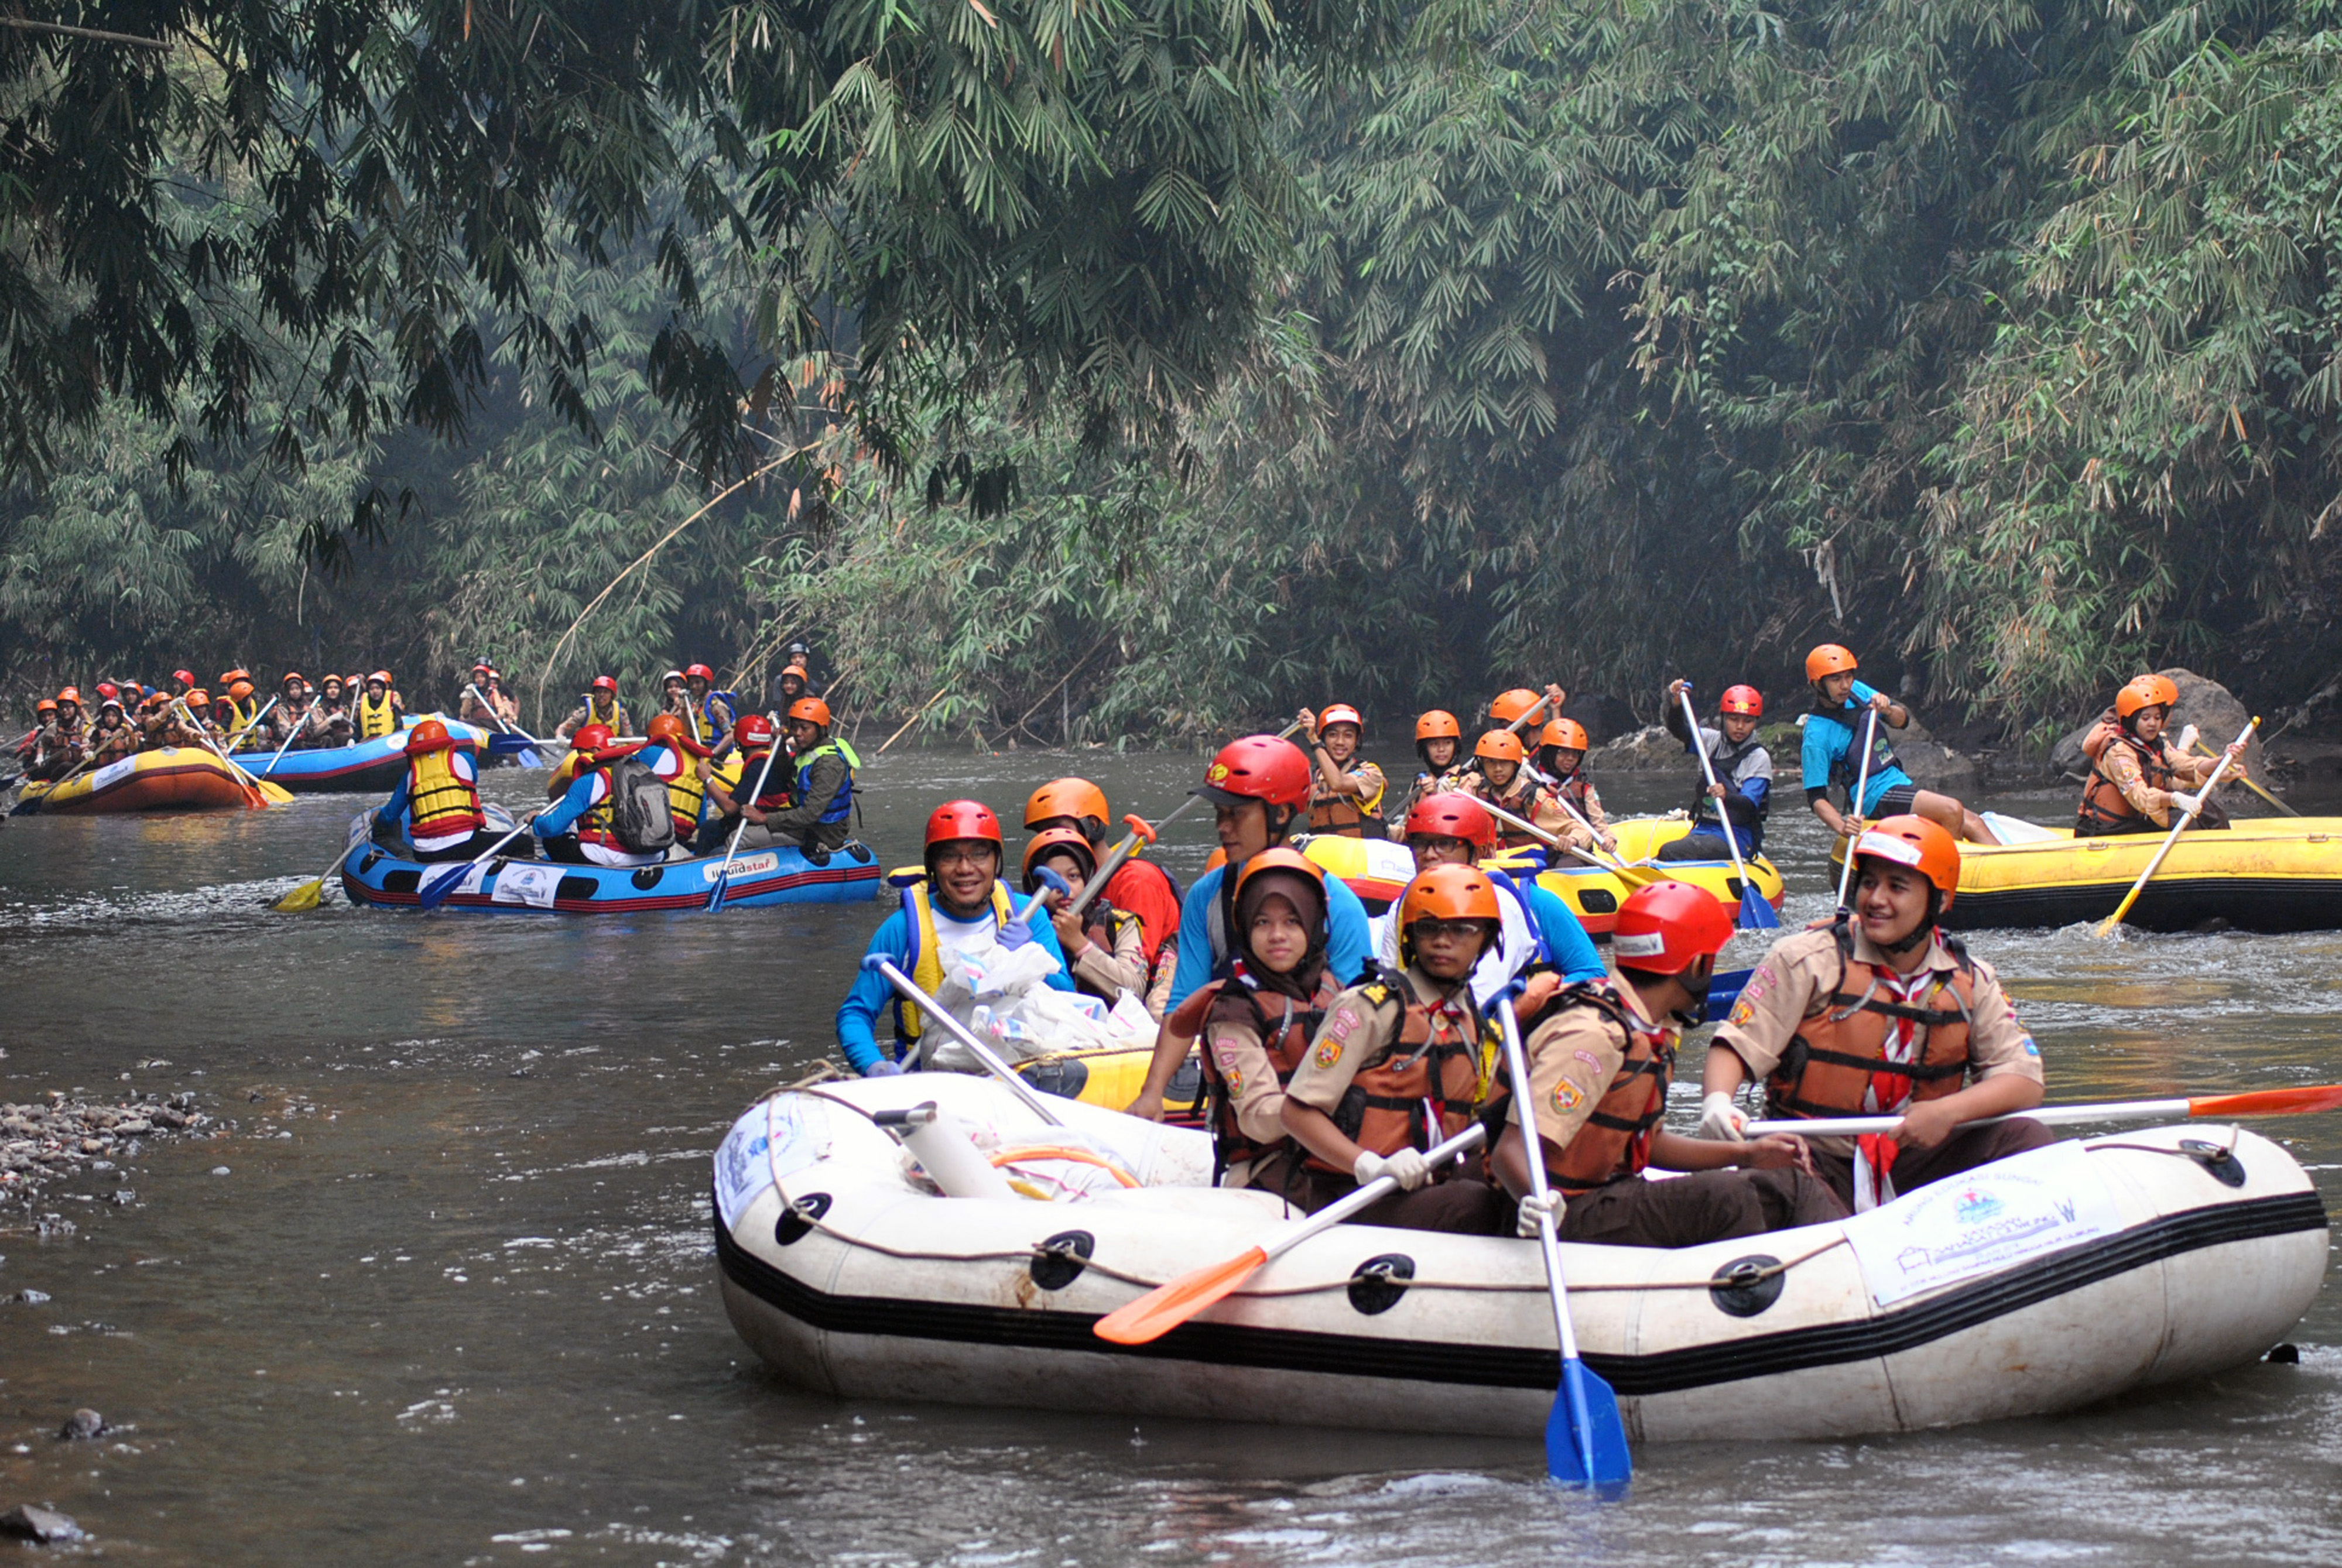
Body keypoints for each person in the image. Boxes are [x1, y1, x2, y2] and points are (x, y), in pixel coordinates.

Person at [1700, 816, 2052, 1211]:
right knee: (1780, 1177)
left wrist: (1946, 1112)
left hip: (1918, 1159)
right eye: (1869, 883)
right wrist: (1718, 1101)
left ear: (1941, 901)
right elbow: (1737, 1046)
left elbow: (2023, 1080)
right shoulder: (1806, 958)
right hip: (1815, 1157)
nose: (1876, 899)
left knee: (2025, 1137)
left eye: (1897, 887)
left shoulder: (1971, 979)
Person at [1494, 881, 1847, 1247]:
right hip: (1561, 1211)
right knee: (1730, 1198)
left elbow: (1649, 1143)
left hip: (1605, 1194)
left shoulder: (1651, 1026)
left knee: (1786, 1187)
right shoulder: (1594, 1037)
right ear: (1696, 964)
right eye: (1713, 958)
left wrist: (1748, 1152)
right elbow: (1510, 1152)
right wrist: (1538, 1203)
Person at [1123, 736, 1377, 1120]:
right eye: (1219, 814)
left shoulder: (1337, 905)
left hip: (1325, 1091)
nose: (1223, 828)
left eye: (1236, 814)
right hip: (1239, 1086)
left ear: (1279, 815)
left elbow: (1358, 1019)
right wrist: (1152, 1091)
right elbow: (1182, 1003)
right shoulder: (1207, 898)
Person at [1275, 864, 1507, 1233]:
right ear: (1410, 937)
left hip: (1430, 1185)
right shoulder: (1369, 1008)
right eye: (1429, 928)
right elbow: (1296, 1113)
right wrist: (1369, 1164)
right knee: (1474, 1204)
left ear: (1487, 939)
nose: (1443, 941)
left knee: (1508, 1186)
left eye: (1462, 930)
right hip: (1354, 1193)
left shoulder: (1475, 1024)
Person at [834, 800, 1076, 1076]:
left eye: (979, 855)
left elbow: (1066, 999)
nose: (965, 868)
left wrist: (1031, 957)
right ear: (934, 865)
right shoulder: (902, 929)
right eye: (950, 856)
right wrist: (872, 1065)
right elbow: (855, 1014)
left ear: (997, 862)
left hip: (1020, 1071)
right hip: (932, 1076)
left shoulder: (1029, 915)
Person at [1191, 847, 1345, 1193]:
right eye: (1263, 922)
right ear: (1244, 928)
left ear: (1314, 924)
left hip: (1338, 1154)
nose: (1277, 935)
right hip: (1269, 1169)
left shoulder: (1335, 992)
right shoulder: (1234, 1011)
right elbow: (1258, 1118)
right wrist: (1335, 1107)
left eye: (1292, 921)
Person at [1375, 793, 1604, 1002]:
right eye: (1421, 844)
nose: (1429, 855)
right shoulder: (1401, 907)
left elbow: (1483, 998)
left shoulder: (1515, 904)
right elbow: (1389, 981)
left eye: (1444, 844)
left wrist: (1544, 995)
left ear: (1479, 854)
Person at [1800, 644, 1998, 847]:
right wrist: (1841, 826)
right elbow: (1816, 797)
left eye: (1848, 676)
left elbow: (1901, 722)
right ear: (1818, 684)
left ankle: (2010, 867)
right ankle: (1952, 872)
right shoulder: (1816, 735)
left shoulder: (1855, 691)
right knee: (1951, 810)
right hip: (1873, 796)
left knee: (1974, 822)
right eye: (1836, 679)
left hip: (1897, 781)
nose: (1845, 685)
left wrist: (1887, 709)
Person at [1022, 778, 1183, 975]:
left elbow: (1140, 970)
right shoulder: (1075, 884)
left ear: (1093, 825)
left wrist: (1077, 942)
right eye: (1044, 832)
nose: (1053, 837)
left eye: (1058, 827)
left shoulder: (1138, 880)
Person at [2075, 674, 2249, 836]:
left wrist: (2223, 762)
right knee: (2191, 822)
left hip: (2135, 820)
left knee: (2209, 811)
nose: (2153, 724)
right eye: (2146, 718)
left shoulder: (2156, 743)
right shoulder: (2119, 752)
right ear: (2132, 720)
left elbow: (2183, 765)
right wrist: (2175, 799)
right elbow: (2140, 797)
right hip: (2106, 829)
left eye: (2158, 717)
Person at [1022, 827, 1158, 1011]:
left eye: (1073, 876)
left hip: (1109, 1031)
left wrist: (1079, 944)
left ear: (1088, 879)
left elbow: (1134, 991)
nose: (1064, 888)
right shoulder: (1024, 926)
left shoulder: (1120, 924)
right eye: (1050, 878)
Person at [531, 723, 682, 867]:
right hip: (653, 854)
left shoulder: (589, 781)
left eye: (580, 752)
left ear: (595, 750)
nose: (578, 758)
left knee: (554, 841)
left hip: (607, 857)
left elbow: (552, 828)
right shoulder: (643, 771)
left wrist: (535, 820)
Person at [1660, 679, 1773, 862]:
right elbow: (1678, 729)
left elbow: (1749, 804)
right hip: (1704, 829)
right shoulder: (1711, 741)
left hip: (1737, 836)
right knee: (1668, 852)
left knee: (1670, 852)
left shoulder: (1759, 757)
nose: (1740, 727)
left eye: (1748, 721)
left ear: (1755, 723)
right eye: (1734, 719)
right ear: (1723, 718)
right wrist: (1676, 705)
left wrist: (1726, 795)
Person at [734, 697, 858, 853]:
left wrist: (765, 819)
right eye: (795, 727)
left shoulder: (829, 765)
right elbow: (786, 773)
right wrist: (779, 744)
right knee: (744, 826)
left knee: (740, 837)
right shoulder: (808, 750)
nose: (798, 733)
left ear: (820, 729)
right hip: (807, 825)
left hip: (823, 833)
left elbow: (810, 814)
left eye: (804, 728)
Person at [372, 720, 497, 862]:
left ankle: (404, 858)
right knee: (522, 842)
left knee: (384, 834)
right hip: (466, 844)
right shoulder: (466, 760)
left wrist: (377, 818)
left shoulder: (410, 775)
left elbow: (389, 817)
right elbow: (472, 783)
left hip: (425, 853)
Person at [1455, 730, 1562, 850]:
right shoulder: (1474, 791)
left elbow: (1576, 829)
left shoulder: (1534, 796)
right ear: (1482, 765)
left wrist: (1572, 839)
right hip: (1488, 865)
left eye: (1505, 762)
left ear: (1515, 765)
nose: (1498, 769)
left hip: (1526, 865)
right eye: (1491, 762)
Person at [702, 713, 792, 849]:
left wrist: (706, 779)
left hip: (768, 828)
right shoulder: (773, 759)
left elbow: (730, 808)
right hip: (774, 823)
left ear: (740, 743)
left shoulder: (758, 766)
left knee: (709, 832)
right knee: (712, 827)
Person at [1296, 703, 1385, 837]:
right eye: (1333, 735)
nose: (1340, 742)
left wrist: (1313, 739)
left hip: (1361, 854)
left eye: (1348, 736)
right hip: (1324, 853)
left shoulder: (1371, 773)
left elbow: (1338, 784)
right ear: (1324, 739)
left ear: (1357, 741)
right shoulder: (1312, 779)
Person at [1534, 716, 1614, 853]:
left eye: (1575, 754)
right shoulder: (1529, 781)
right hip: (1539, 849)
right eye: (1563, 752)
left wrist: (1608, 838)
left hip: (1575, 851)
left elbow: (1599, 823)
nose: (1570, 758)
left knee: (1568, 863)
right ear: (1549, 753)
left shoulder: (1584, 786)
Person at [1386, 710, 1464, 833]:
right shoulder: (1419, 782)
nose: (1441, 749)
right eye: (1434, 744)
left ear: (1456, 746)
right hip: (1422, 845)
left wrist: (1436, 793)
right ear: (1424, 749)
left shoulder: (1468, 779)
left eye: (1448, 743)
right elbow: (1407, 828)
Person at [645, 713, 717, 848]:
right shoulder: (698, 765)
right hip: (681, 835)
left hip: (653, 831)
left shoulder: (651, 753)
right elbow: (701, 820)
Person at [555, 675, 626, 740]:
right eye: (598, 692)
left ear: (612, 696)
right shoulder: (585, 713)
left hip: (611, 751)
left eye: (606, 692)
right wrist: (559, 737)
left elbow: (629, 737)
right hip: (589, 751)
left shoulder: (621, 714)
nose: (601, 695)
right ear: (594, 694)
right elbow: (563, 728)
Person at [683, 663, 735, 745]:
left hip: (716, 754)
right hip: (700, 751)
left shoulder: (715, 705)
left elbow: (730, 735)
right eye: (691, 683)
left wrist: (713, 754)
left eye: (698, 683)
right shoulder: (697, 706)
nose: (694, 686)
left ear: (707, 684)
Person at [83, 699, 136, 767]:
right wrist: (87, 754)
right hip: (102, 769)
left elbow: (132, 747)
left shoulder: (124, 731)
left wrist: (131, 734)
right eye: (107, 715)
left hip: (121, 768)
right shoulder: (98, 732)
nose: (110, 719)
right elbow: (90, 747)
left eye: (114, 716)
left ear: (119, 717)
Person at [306, 674, 354, 748]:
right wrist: (330, 720)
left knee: (346, 736)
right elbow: (316, 732)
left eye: (336, 688)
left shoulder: (344, 707)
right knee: (327, 739)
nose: (333, 690)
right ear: (325, 690)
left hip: (340, 741)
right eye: (330, 688)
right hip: (324, 742)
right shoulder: (319, 708)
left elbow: (350, 728)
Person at [354, 670, 404, 741]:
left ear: (383, 689)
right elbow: (358, 729)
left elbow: (399, 726)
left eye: (378, 688)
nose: (375, 691)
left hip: (388, 742)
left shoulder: (392, 705)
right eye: (372, 689)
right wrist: (353, 740)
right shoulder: (363, 705)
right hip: (368, 743)